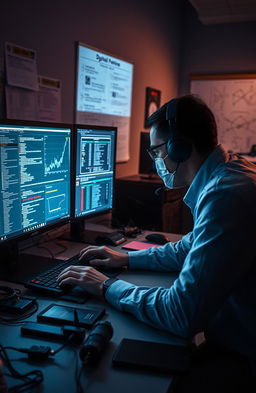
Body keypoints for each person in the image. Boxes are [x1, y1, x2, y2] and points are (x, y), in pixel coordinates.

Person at [57, 95, 256, 391]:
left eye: (156, 150)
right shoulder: (231, 172)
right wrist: (126, 259)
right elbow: (190, 246)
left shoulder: (225, 194)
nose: (155, 160)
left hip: (243, 356)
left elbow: (180, 314)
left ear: (179, 147)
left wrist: (106, 286)